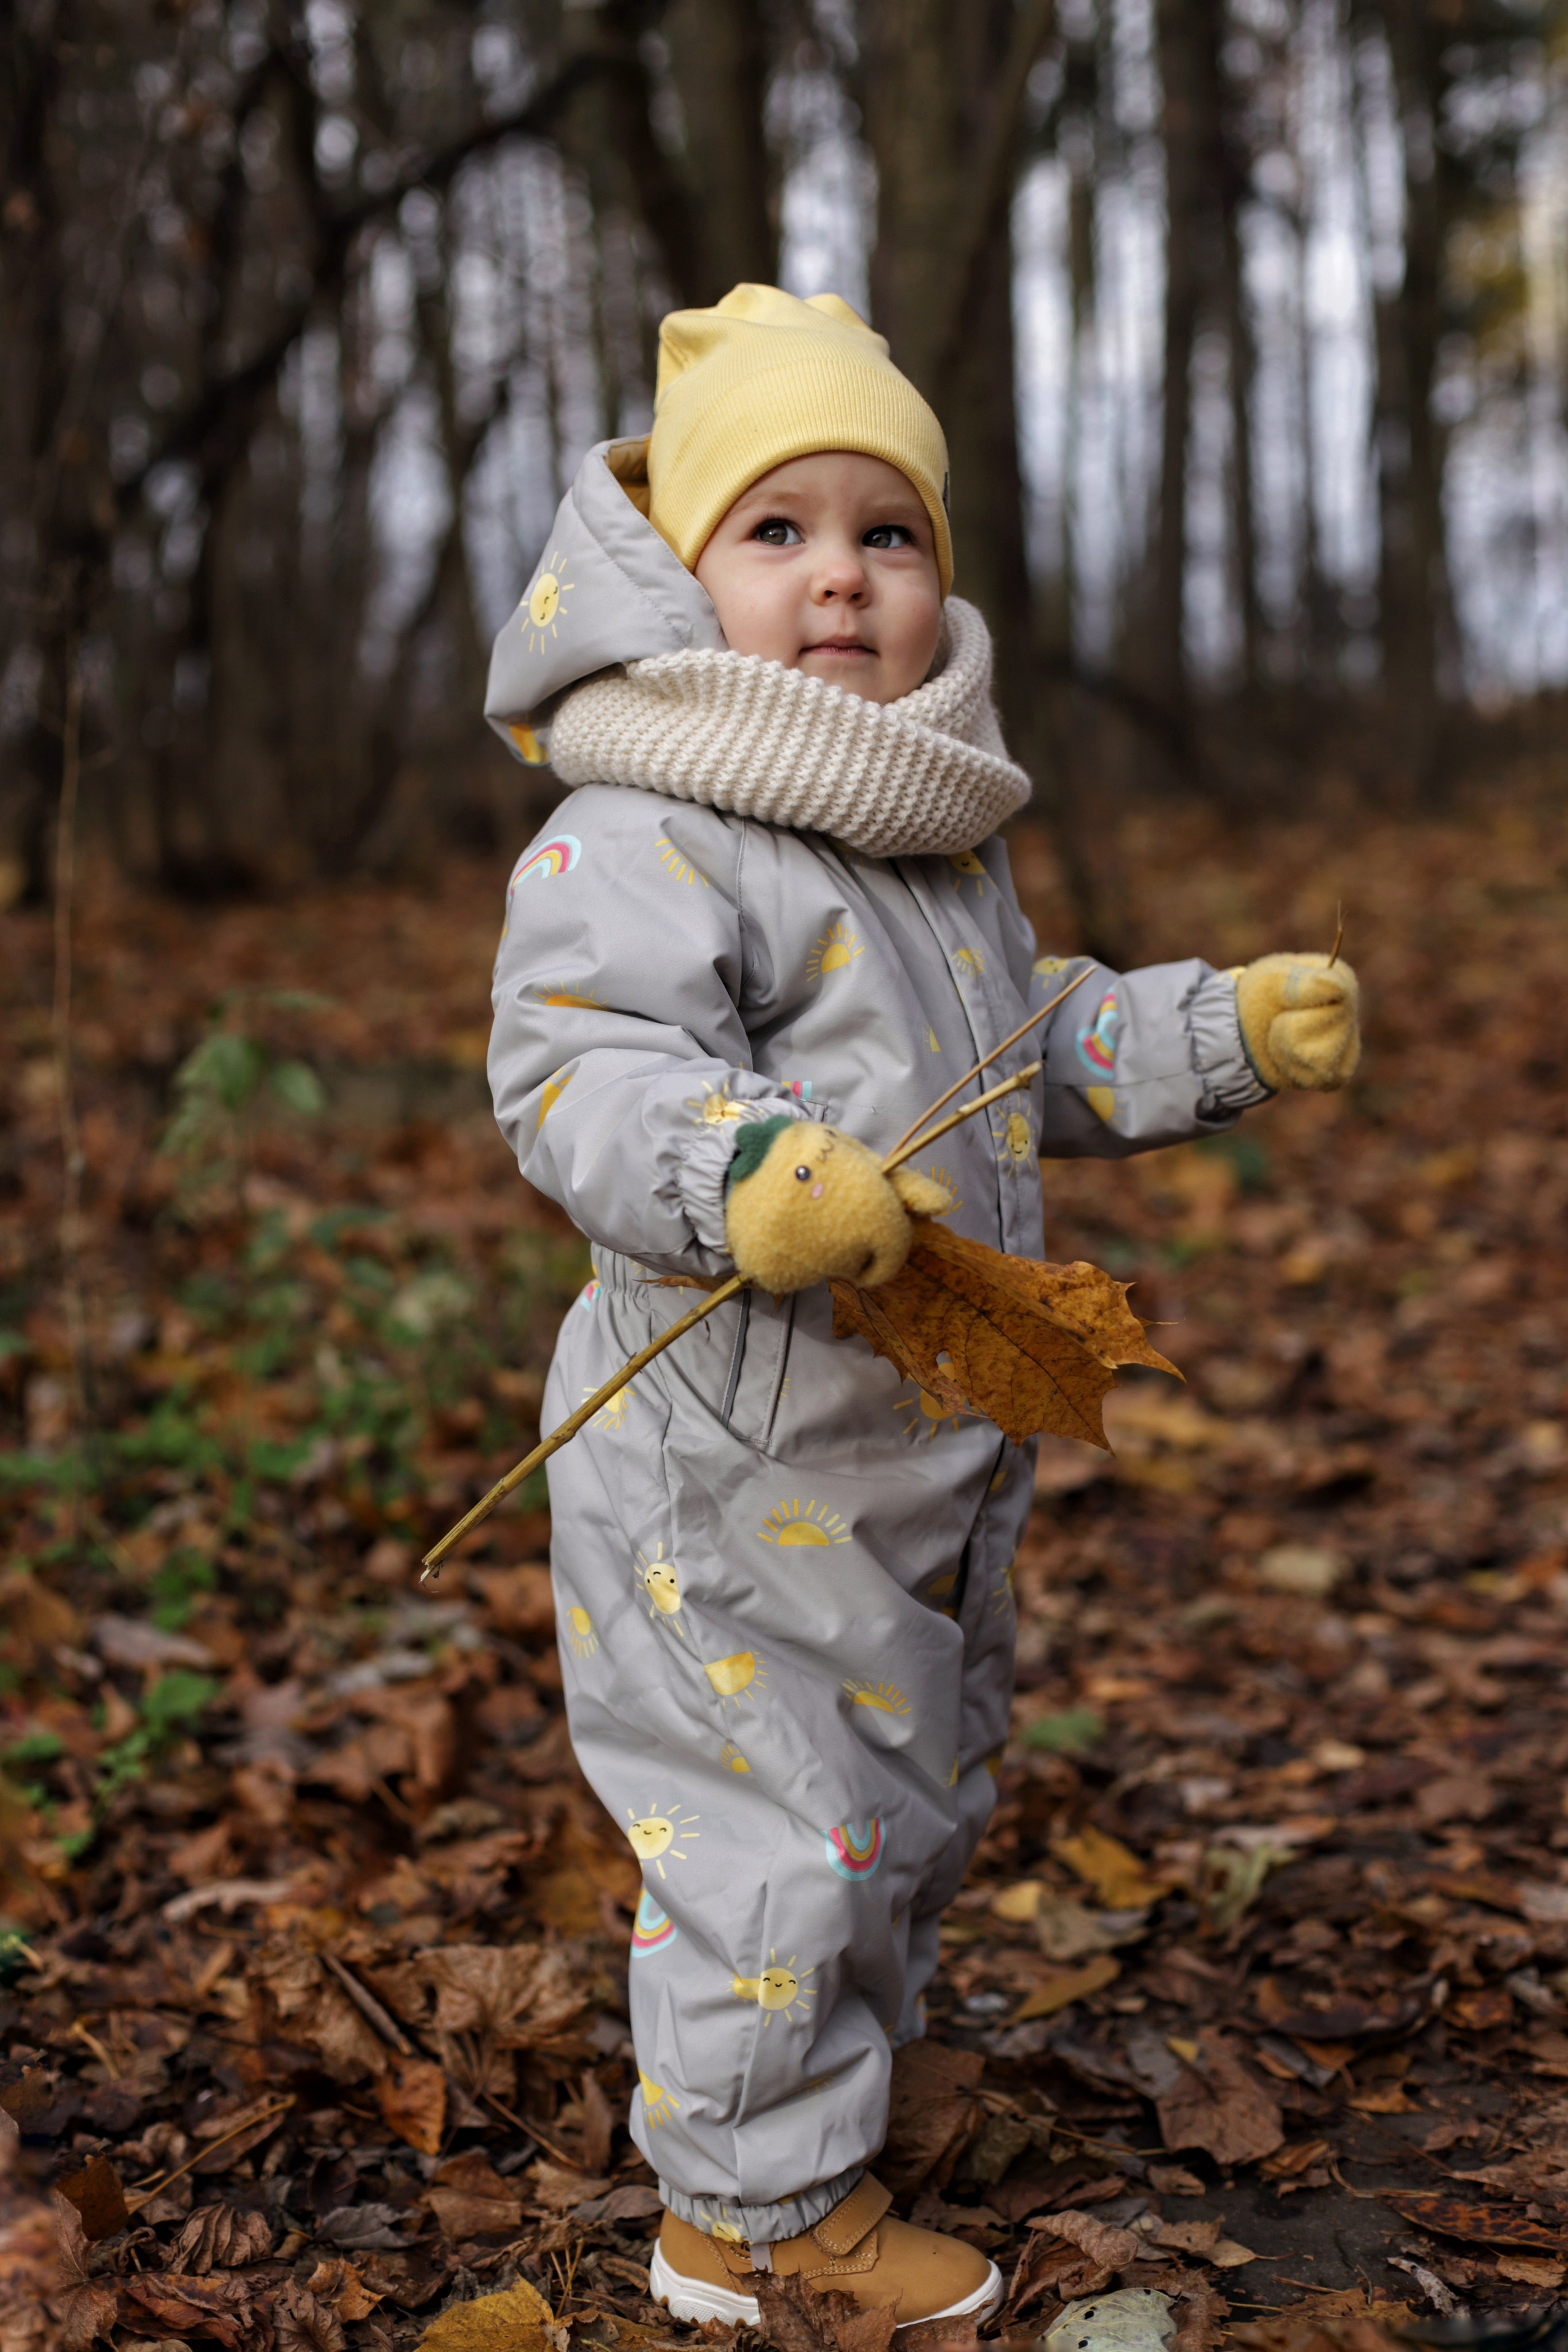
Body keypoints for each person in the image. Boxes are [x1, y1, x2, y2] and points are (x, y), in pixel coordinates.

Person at [483, 285, 1360, 2329]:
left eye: (887, 533)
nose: (843, 579)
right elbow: (576, 1071)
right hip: (722, 1455)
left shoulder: (926, 831)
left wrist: (1211, 1032)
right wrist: (735, 1166)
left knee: (898, 1799)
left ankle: (826, 2083)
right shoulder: (646, 823)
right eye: (776, 531)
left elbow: (1019, 1041)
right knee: (776, 1826)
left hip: (912, 1461)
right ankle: (748, 2219)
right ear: (680, 572)